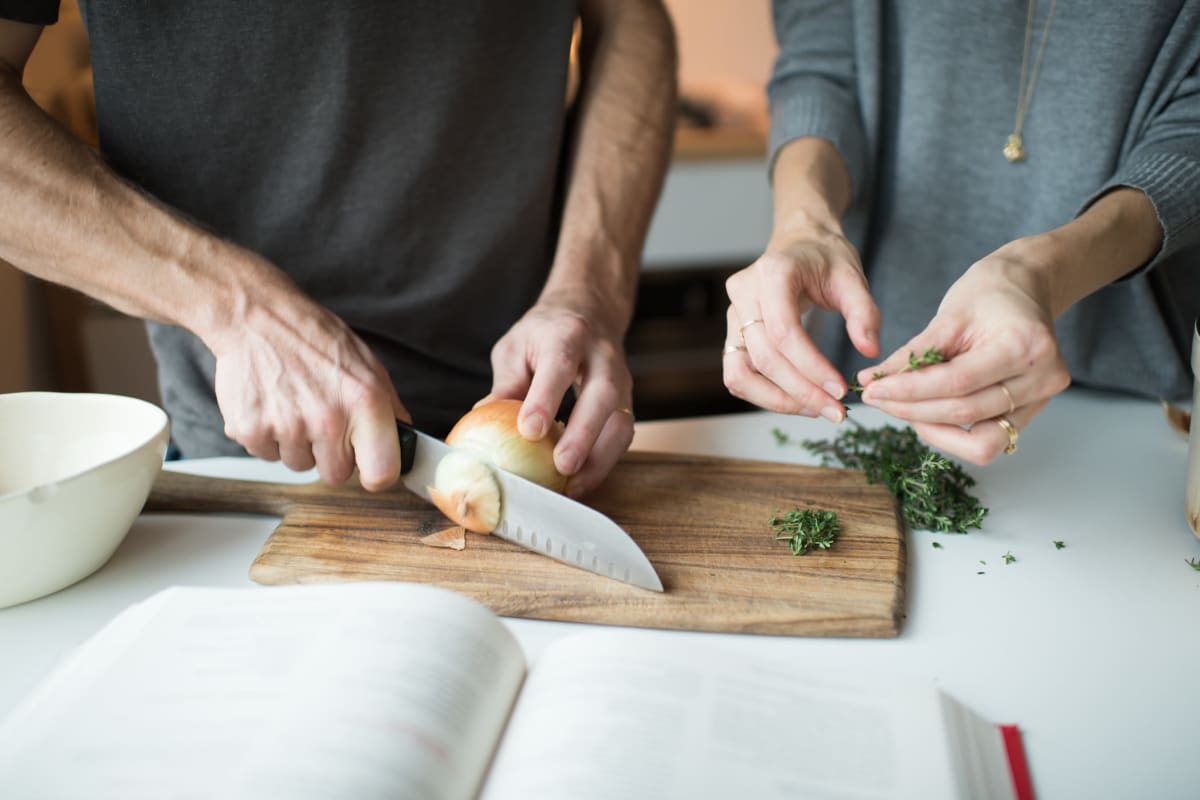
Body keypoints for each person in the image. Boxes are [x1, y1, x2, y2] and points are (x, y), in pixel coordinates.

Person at [0, 1, 677, 497]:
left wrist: (587, 290)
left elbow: (631, 18)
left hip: (539, 430)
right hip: (247, 466)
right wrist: (237, 308)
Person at [723, 0, 1200, 465]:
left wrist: (1038, 273)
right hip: (865, 410)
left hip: (1147, 419)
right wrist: (804, 223)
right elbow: (819, 65)